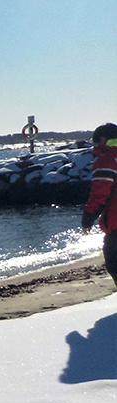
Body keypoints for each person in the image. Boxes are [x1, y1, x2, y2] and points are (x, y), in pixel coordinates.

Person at [81, 122, 117, 287]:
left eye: (96, 141)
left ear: (103, 139)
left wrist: (88, 218)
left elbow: (100, 194)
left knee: (113, 262)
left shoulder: (107, 160)